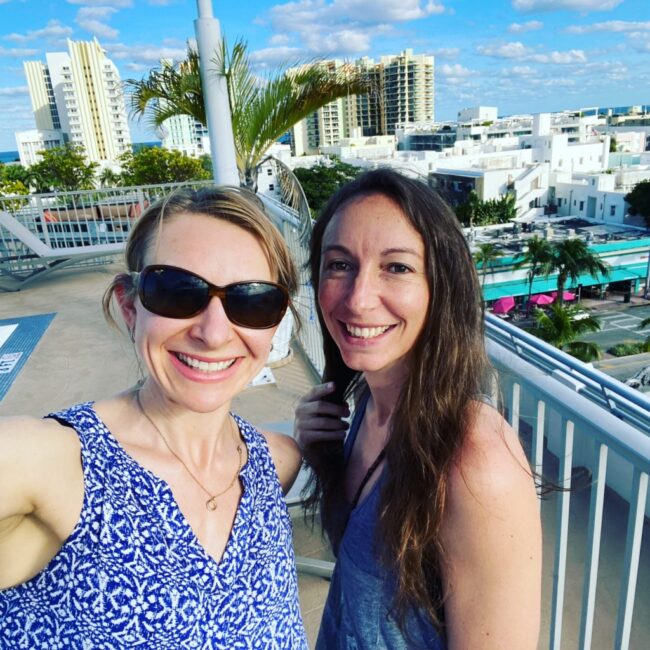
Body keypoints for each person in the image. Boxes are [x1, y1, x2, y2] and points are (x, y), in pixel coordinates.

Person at [0, 186, 307, 649]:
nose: (213, 332)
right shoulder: (52, 463)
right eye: (176, 292)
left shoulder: (276, 463)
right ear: (129, 306)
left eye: (252, 301)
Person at [294, 169, 542, 649]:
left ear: (441, 287)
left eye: (397, 267)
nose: (359, 298)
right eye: (339, 264)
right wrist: (320, 455)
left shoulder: (476, 460)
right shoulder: (368, 405)